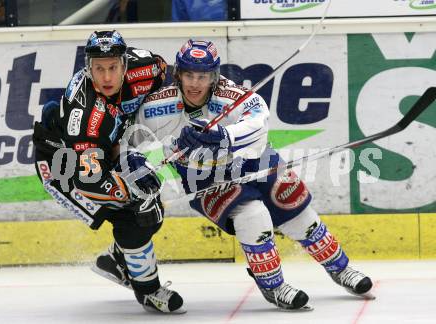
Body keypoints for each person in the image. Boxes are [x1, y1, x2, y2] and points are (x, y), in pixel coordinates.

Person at [121, 39, 373, 311]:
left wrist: (223, 136)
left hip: (252, 160)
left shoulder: (231, 96)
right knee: (253, 215)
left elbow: (259, 122)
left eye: (203, 76)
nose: (195, 83)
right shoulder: (158, 105)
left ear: (214, 76)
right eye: (189, 75)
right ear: (177, 74)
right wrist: (134, 159)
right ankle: (273, 285)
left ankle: (340, 268)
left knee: (297, 211)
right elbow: (128, 138)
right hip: (204, 177)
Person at [32, 30, 185, 314]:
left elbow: (163, 73)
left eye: (113, 67)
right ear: (88, 69)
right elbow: (89, 179)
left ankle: (117, 259)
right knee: (136, 215)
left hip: (103, 149)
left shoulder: (146, 67)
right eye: (98, 69)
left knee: (150, 209)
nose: (106, 77)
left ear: (125, 64)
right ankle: (148, 291)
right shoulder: (87, 117)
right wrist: (136, 191)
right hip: (63, 168)